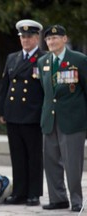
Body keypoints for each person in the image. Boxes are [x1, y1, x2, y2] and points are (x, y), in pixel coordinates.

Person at [38, 25, 87, 212]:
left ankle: (76, 200)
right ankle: (58, 198)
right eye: (49, 39)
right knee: (51, 163)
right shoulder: (43, 62)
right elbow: (46, 92)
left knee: (72, 163)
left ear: (64, 39)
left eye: (55, 38)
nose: (51, 42)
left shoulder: (79, 60)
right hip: (49, 119)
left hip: (72, 119)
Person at [0, 19, 45, 206]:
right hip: (13, 113)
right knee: (17, 156)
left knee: (33, 157)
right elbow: (5, 86)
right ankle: (19, 192)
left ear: (36, 37)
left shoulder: (43, 58)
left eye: (29, 37)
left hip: (32, 114)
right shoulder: (13, 58)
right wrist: (1, 109)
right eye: (22, 37)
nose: (25, 40)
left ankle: (33, 193)